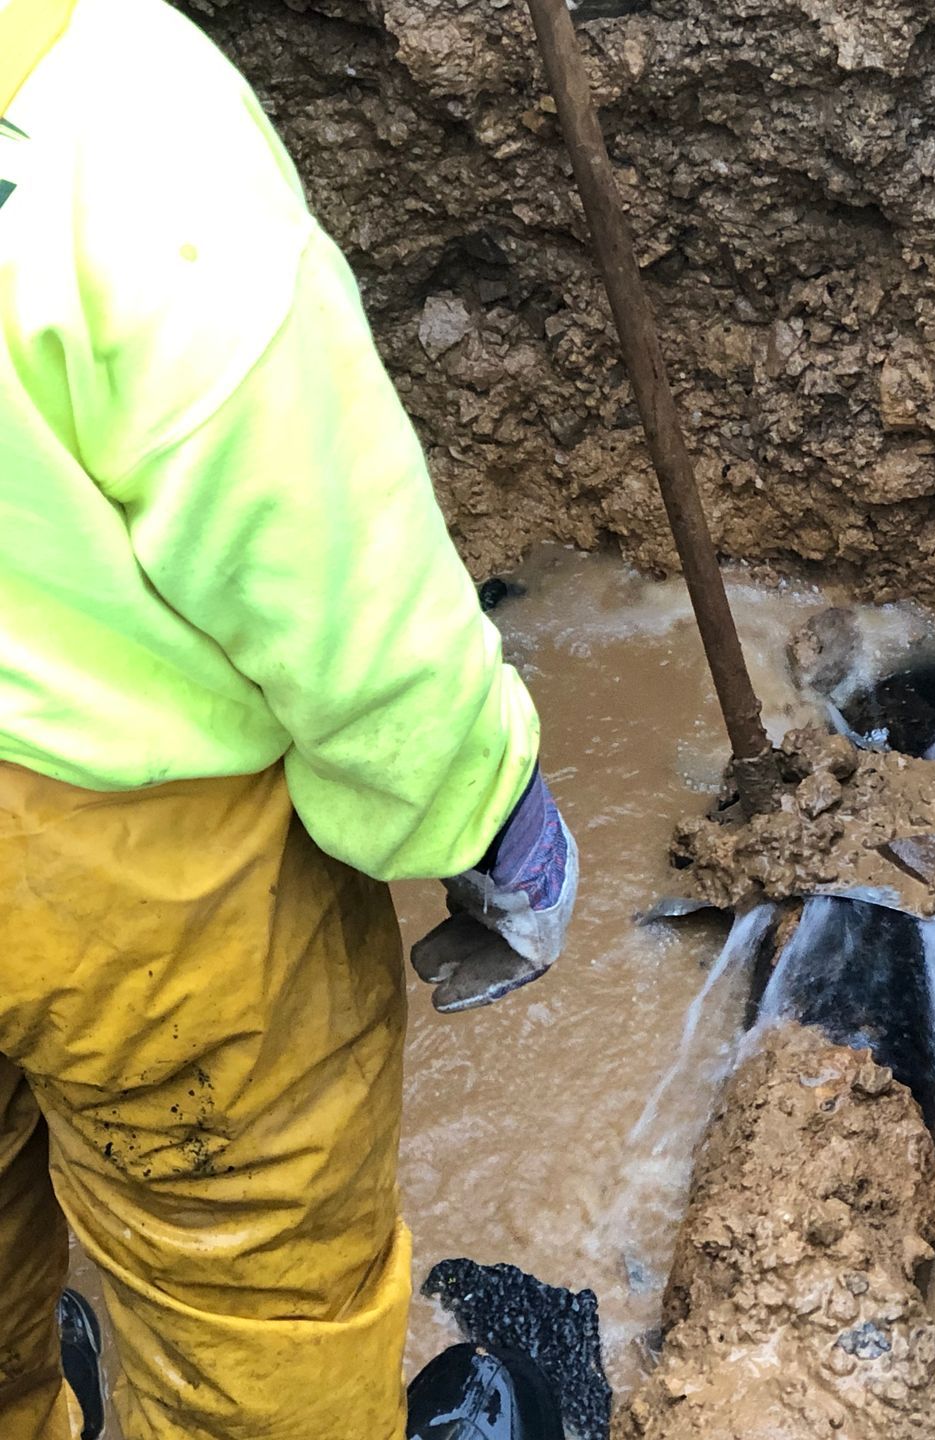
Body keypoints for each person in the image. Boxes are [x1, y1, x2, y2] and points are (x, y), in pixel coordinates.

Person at [0, 0, 580, 1432]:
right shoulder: (114, 117)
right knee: (250, 1299)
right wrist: (482, 804)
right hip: (123, 876)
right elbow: (331, 568)